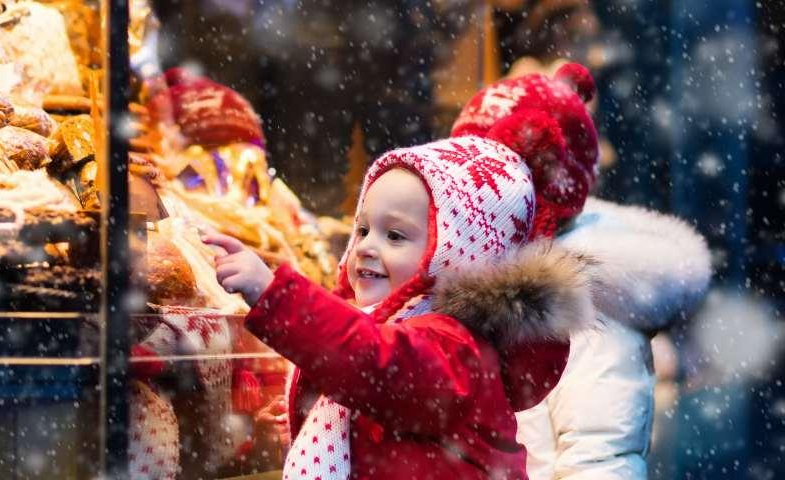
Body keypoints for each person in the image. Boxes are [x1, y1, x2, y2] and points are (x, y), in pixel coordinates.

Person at [203, 128, 593, 478]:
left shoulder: (456, 348)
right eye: (363, 229)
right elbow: (372, 407)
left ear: (454, 254)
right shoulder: (396, 331)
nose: (367, 247)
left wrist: (274, 295)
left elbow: (372, 361)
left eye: (394, 236)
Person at [451, 63, 712, 479]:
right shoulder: (475, 273)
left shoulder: (586, 300)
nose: (458, 190)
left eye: (477, 171)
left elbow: (600, 461)